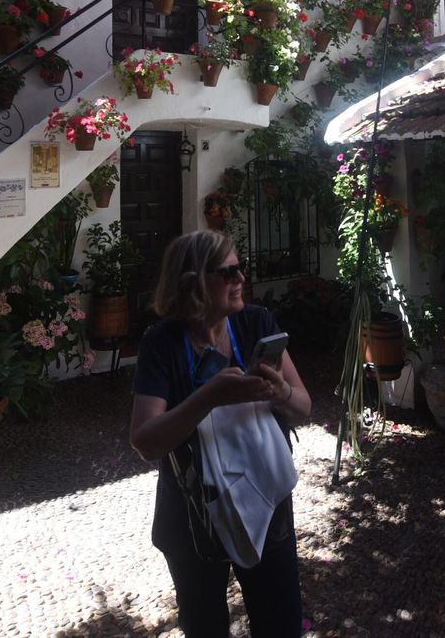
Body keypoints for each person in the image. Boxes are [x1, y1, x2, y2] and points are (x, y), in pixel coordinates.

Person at [129, 230, 312, 638]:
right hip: (193, 513)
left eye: (240, 268)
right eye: (227, 272)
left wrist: (280, 391)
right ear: (192, 281)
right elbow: (145, 440)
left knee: (280, 622)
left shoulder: (256, 323)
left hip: (266, 499)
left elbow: (302, 407)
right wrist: (210, 397)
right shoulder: (162, 343)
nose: (240, 278)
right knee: (204, 624)